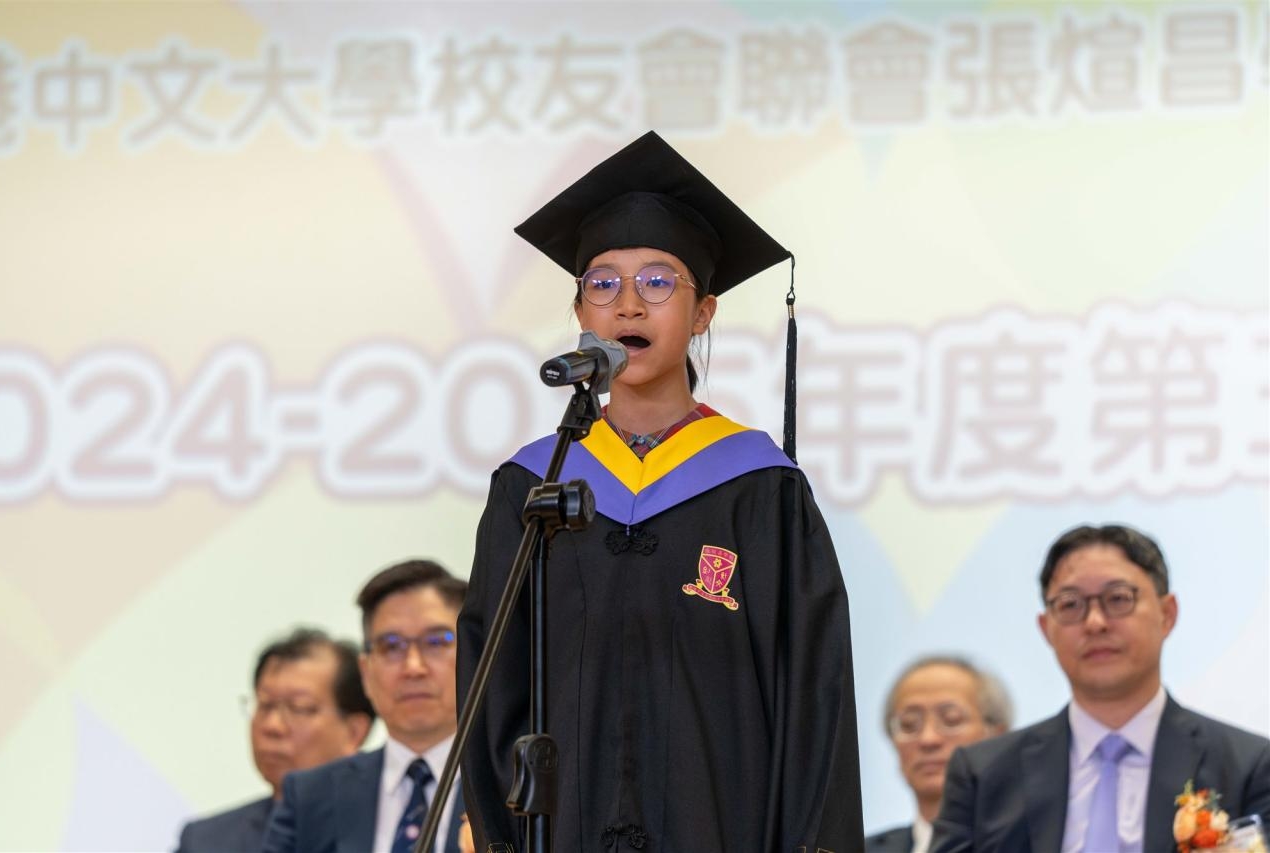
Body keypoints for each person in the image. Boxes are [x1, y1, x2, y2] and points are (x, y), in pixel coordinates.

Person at [458, 131, 864, 852]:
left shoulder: (760, 488)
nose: (628, 306)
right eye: (603, 283)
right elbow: (493, 697)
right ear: (580, 313)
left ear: (703, 312)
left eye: (657, 282)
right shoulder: (534, 483)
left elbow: (813, 703)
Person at [931, 524, 1270, 853]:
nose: (1095, 622)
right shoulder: (983, 775)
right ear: (1046, 628)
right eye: (1070, 604)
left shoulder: (1247, 766)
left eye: (1118, 599)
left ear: (1167, 614)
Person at [262, 560, 468, 853]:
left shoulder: (513, 785)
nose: (413, 667)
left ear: (473, 655)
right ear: (366, 672)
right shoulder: (309, 797)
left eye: (436, 642)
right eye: (391, 646)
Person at [177, 628, 375, 853]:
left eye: (299, 708)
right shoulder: (204, 842)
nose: (272, 726)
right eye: (265, 705)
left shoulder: (390, 829)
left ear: (354, 732)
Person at [866, 656, 1012, 853]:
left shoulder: (1035, 843)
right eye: (909, 724)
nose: (928, 739)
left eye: (951, 720)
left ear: (998, 736)